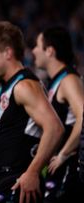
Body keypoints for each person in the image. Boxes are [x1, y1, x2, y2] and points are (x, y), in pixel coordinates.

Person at [0, 21, 64, 203]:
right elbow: (1, 140)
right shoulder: (8, 87)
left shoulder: (24, 86)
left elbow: (55, 128)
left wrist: (32, 172)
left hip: (21, 186)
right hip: (9, 183)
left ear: (8, 52)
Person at [32, 26, 84, 202]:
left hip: (70, 167)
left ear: (50, 51)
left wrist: (63, 153)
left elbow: (83, 116)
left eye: (37, 46)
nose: (33, 51)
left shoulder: (68, 80)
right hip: (62, 168)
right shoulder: (58, 81)